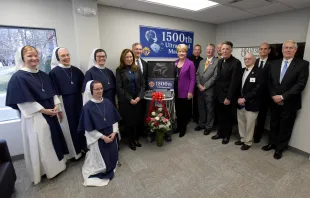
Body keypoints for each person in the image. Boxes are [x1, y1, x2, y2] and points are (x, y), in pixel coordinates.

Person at [5, 46, 68, 184]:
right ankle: (46, 171)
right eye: (29, 56)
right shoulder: (18, 77)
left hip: (51, 113)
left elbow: (53, 93)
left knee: (53, 140)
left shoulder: (44, 75)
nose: (34, 58)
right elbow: (22, 102)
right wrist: (44, 110)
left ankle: (59, 166)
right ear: (23, 58)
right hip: (35, 116)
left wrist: (56, 105)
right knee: (42, 143)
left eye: (35, 55)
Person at [262, 40, 309, 159]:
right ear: (282, 50)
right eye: (286, 47)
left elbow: (300, 84)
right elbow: (269, 81)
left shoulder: (303, 64)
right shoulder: (274, 63)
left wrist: (282, 97)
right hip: (273, 101)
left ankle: (280, 148)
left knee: (286, 126)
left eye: (291, 48)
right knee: (273, 123)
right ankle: (272, 143)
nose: (288, 50)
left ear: (295, 50)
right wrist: (274, 96)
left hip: (290, 102)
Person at [78, 80, 121, 186]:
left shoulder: (107, 102)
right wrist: (103, 137)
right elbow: (89, 129)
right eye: (96, 89)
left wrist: (114, 132)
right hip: (98, 138)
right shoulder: (87, 107)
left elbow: (114, 119)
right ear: (91, 91)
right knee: (103, 163)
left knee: (113, 155)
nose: (100, 91)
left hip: (111, 135)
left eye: (101, 88)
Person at [49, 47, 85, 160]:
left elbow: (83, 88)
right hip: (64, 103)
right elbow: (53, 93)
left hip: (79, 101)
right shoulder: (53, 73)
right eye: (63, 56)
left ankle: (84, 147)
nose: (66, 57)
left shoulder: (76, 70)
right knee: (69, 128)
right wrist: (58, 108)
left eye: (67, 55)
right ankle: (75, 153)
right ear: (58, 58)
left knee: (82, 124)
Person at [212, 41, 242, 144]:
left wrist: (228, 98)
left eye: (227, 49)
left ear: (231, 50)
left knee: (227, 117)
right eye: (223, 49)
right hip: (218, 94)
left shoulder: (236, 63)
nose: (224, 51)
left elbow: (234, 83)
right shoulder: (220, 61)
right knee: (220, 115)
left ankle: (226, 135)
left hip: (227, 96)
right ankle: (220, 132)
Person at [116, 49, 145, 150]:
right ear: (123, 58)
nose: (129, 59)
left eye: (130, 57)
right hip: (126, 102)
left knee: (136, 121)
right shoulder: (119, 70)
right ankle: (131, 141)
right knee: (129, 122)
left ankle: (136, 139)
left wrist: (138, 97)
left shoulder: (136, 69)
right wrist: (130, 99)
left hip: (137, 100)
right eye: (127, 57)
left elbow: (143, 85)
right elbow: (119, 88)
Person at [235, 53, 263, 150]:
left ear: (254, 60)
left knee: (250, 124)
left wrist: (245, 98)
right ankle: (242, 139)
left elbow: (257, 89)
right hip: (240, 102)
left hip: (252, 103)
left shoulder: (260, 72)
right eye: (245, 59)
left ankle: (248, 142)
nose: (247, 60)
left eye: (249, 59)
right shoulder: (242, 70)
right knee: (241, 122)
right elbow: (238, 86)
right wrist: (238, 98)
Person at [195, 44, 218, 135]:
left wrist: (205, 86)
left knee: (210, 109)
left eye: (211, 49)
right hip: (199, 89)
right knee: (201, 108)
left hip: (209, 90)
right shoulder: (202, 61)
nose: (209, 51)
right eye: (207, 49)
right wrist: (198, 84)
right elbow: (197, 74)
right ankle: (201, 124)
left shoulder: (217, 61)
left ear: (214, 51)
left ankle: (209, 127)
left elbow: (215, 76)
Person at [174, 44, 196, 137]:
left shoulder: (190, 63)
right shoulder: (175, 62)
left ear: (186, 53)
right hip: (176, 91)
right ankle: (178, 126)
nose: (181, 53)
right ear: (177, 52)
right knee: (178, 111)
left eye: (183, 51)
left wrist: (190, 91)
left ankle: (183, 128)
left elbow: (193, 79)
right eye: (180, 51)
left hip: (186, 92)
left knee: (185, 111)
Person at [253, 42, 272, 143]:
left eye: (265, 49)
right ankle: (249, 133)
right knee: (251, 116)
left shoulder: (272, 63)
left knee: (261, 117)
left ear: (269, 51)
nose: (263, 51)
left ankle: (257, 135)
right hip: (253, 95)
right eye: (261, 49)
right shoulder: (254, 61)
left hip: (265, 96)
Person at [132, 43, 149, 138]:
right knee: (134, 114)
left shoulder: (145, 63)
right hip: (133, 94)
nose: (138, 51)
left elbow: (146, 79)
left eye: (140, 49)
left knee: (143, 112)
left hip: (143, 93)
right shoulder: (129, 62)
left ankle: (142, 131)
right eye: (136, 49)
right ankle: (135, 134)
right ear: (133, 50)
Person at [188, 44, 203, 123]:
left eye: (198, 50)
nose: (197, 51)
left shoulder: (202, 60)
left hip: (198, 83)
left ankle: (196, 117)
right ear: (193, 50)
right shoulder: (188, 59)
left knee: (197, 101)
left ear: (200, 51)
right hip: (189, 83)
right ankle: (188, 116)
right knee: (188, 100)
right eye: (195, 49)